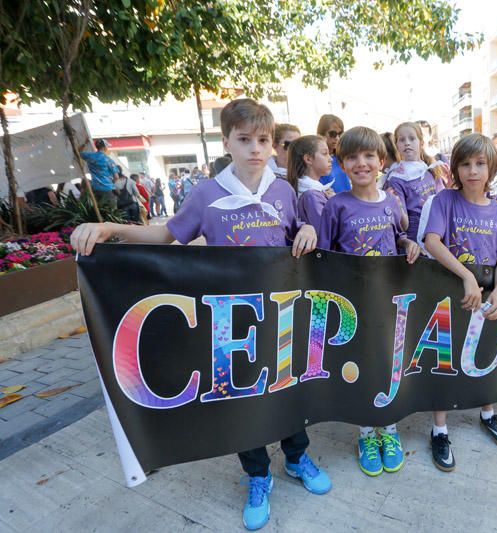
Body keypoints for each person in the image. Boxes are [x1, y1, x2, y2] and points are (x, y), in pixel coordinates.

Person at [69, 98, 331, 531]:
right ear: (226, 141)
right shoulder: (207, 193)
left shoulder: (284, 189)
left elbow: (301, 231)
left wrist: (308, 228)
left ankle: (298, 457)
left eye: (263, 140)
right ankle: (258, 475)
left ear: (273, 145)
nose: (254, 149)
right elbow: (166, 235)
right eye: (244, 139)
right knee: (242, 401)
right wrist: (111, 230)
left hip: (281, 316)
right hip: (229, 321)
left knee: (287, 390)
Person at [318, 126, 421, 476]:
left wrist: (408, 244)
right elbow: (322, 255)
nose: (361, 163)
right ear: (342, 163)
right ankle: (366, 432)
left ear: (381, 160)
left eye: (368, 156)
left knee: (388, 365)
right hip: (351, 308)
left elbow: (399, 236)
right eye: (351, 157)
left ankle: (388, 429)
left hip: (390, 304)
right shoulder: (335, 206)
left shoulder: (393, 202)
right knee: (360, 368)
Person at [423, 133, 497, 472]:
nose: (473, 171)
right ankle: (439, 428)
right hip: (449, 291)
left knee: (485, 356)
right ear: (455, 168)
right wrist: (466, 276)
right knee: (444, 359)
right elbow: (432, 241)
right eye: (465, 164)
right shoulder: (444, 201)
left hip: (487, 294)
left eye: (480, 164)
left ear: (492, 168)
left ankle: (488, 413)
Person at [384, 121, 446, 247]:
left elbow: (442, 202)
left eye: (412, 138)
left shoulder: (430, 169)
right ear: (397, 145)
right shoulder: (396, 178)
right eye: (401, 140)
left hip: (437, 231)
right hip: (415, 239)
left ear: (421, 143)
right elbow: (404, 224)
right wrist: (396, 203)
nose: (407, 142)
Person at [287, 135, 333, 235]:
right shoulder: (311, 195)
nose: (330, 159)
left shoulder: (313, 190)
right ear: (308, 159)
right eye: (325, 154)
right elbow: (327, 233)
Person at [80, 139, 120, 209]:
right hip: (108, 190)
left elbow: (79, 152)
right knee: (111, 213)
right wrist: (111, 184)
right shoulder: (108, 160)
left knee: (100, 211)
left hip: (95, 189)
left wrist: (85, 143)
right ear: (105, 147)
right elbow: (116, 177)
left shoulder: (90, 156)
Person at [317, 114, 351, 193]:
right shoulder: (315, 159)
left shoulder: (343, 156)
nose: (337, 138)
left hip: (348, 202)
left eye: (340, 134)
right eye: (333, 134)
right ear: (321, 134)